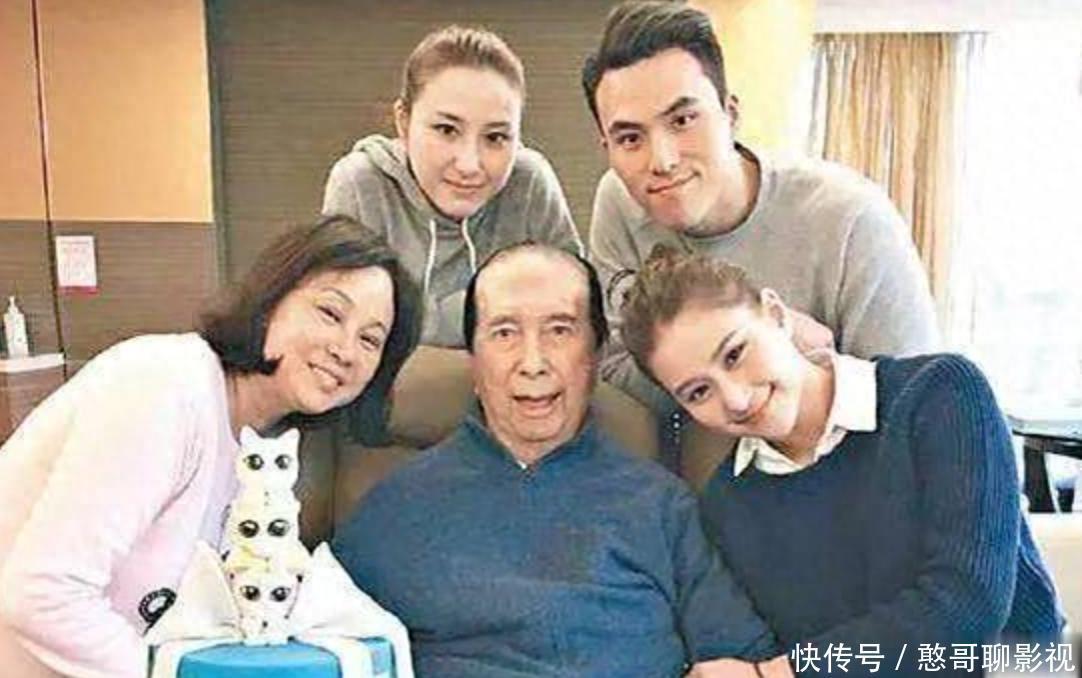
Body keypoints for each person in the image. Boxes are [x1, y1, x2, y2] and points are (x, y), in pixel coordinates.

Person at [0, 216, 422, 678]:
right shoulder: (164, 386)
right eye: (330, 313)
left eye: (370, 339)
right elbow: (41, 594)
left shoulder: (267, 450)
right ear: (272, 298)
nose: (345, 349)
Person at [332, 243, 781, 677]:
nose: (533, 362)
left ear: (596, 356)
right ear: (475, 361)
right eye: (504, 333)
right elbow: (321, 648)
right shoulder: (395, 506)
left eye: (560, 330)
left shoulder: (662, 506)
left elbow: (748, 660)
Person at [621, 246, 1063, 675]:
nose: (734, 399)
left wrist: (778, 673)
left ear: (775, 315)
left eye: (735, 354)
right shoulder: (726, 504)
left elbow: (967, 608)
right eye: (699, 392)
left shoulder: (939, 394)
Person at [581, 1, 939, 413]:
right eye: (630, 139)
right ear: (607, 148)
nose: (661, 160)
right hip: (692, 454)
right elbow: (614, 371)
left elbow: (918, 405)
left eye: (682, 121)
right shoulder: (620, 201)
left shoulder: (852, 220)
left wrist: (793, 364)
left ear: (730, 113)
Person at [323, 25, 583, 348]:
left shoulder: (530, 183)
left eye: (495, 137)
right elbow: (344, 328)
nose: (469, 164)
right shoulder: (361, 184)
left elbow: (575, 319)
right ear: (403, 121)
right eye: (446, 130)